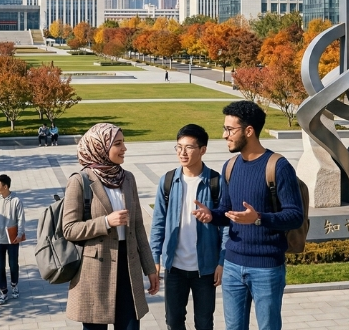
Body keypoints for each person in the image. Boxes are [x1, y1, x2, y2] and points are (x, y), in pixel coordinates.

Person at [193, 101, 304, 330]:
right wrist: (211, 215)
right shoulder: (230, 166)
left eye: (230, 129)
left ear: (249, 131)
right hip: (233, 265)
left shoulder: (278, 167)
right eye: (225, 129)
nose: (225, 135)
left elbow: (295, 216)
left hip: (266, 267)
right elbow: (227, 211)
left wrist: (258, 218)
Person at [61, 123, 159, 329]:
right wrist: (105, 222)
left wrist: (150, 268)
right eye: (118, 144)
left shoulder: (128, 178)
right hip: (95, 272)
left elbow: (138, 227)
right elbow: (69, 229)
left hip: (128, 269)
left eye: (123, 143)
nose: (124, 148)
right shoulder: (80, 181)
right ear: (100, 147)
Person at [149, 124, 226, 330]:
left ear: (203, 150)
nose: (182, 152)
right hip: (174, 268)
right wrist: (154, 258)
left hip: (206, 269)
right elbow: (158, 223)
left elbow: (227, 225)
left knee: (204, 323)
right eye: (179, 147)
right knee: (173, 322)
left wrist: (221, 262)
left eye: (189, 147)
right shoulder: (167, 181)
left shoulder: (216, 182)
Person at [0, 174, 26, 305]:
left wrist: (19, 234)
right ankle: (3, 292)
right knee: (0, 266)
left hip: (12, 239)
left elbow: (21, 219)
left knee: (13, 264)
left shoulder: (16, 201)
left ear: (6, 186)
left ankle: (14, 285)